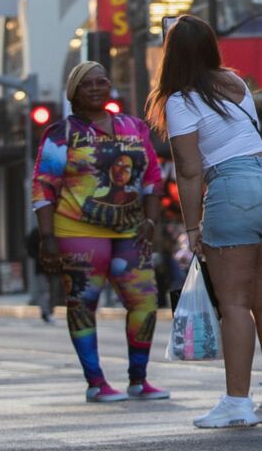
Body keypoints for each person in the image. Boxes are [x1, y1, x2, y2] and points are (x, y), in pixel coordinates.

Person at [148, 16, 262, 429]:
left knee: (233, 304)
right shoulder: (235, 84)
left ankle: (236, 402)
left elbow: (190, 171)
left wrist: (191, 228)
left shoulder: (179, 100)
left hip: (234, 189)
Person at [32, 61, 169, 403]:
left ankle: (139, 379)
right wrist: (47, 237)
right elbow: (43, 187)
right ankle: (96, 382)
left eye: (101, 81)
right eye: (86, 84)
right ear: (74, 93)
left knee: (145, 301)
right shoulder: (60, 134)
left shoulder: (134, 127)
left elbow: (153, 178)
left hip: (131, 230)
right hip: (77, 228)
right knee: (83, 304)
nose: (95, 88)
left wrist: (151, 222)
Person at [25, 228, 57, 324]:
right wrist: (39, 257)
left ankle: (49, 311)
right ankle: (46, 312)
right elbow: (29, 248)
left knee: (53, 291)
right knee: (43, 290)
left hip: (55, 268)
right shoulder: (36, 232)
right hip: (41, 268)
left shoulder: (56, 232)